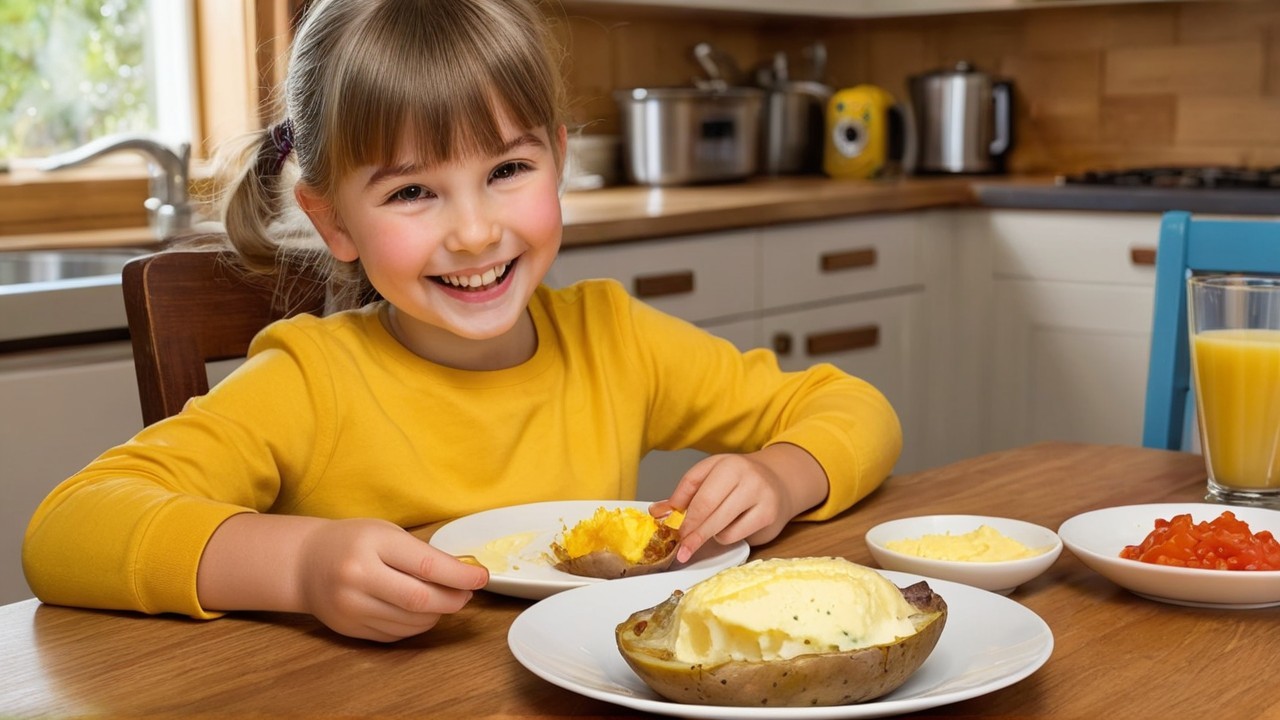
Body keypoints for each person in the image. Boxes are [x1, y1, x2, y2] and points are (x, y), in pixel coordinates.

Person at [23, 0, 902, 643]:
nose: (476, 230)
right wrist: (297, 568)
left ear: (559, 160)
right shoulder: (310, 381)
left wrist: (783, 478)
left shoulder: (611, 338)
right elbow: (67, 529)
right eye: (412, 191)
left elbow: (854, 406)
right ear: (334, 222)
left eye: (508, 169)